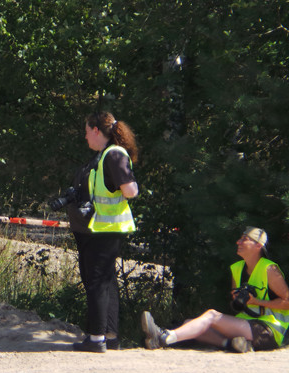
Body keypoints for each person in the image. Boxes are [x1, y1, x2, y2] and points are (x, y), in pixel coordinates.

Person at [142, 227, 289, 352]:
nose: (238, 242)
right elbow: (237, 307)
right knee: (190, 323)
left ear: (258, 246)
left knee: (211, 315)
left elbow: (287, 302)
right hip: (247, 324)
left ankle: (163, 337)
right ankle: (231, 345)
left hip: (268, 331)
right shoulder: (237, 268)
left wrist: (257, 301)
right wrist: (237, 298)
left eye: (245, 239)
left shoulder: (269, 269)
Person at [69, 111, 139, 353]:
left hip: (104, 229)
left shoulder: (114, 154)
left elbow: (130, 190)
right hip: (100, 229)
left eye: (87, 131)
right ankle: (109, 336)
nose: (85, 136)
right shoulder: (103, 156)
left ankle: (96, 338)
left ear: (96, 130)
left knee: (97, 282)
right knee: (105, 282)